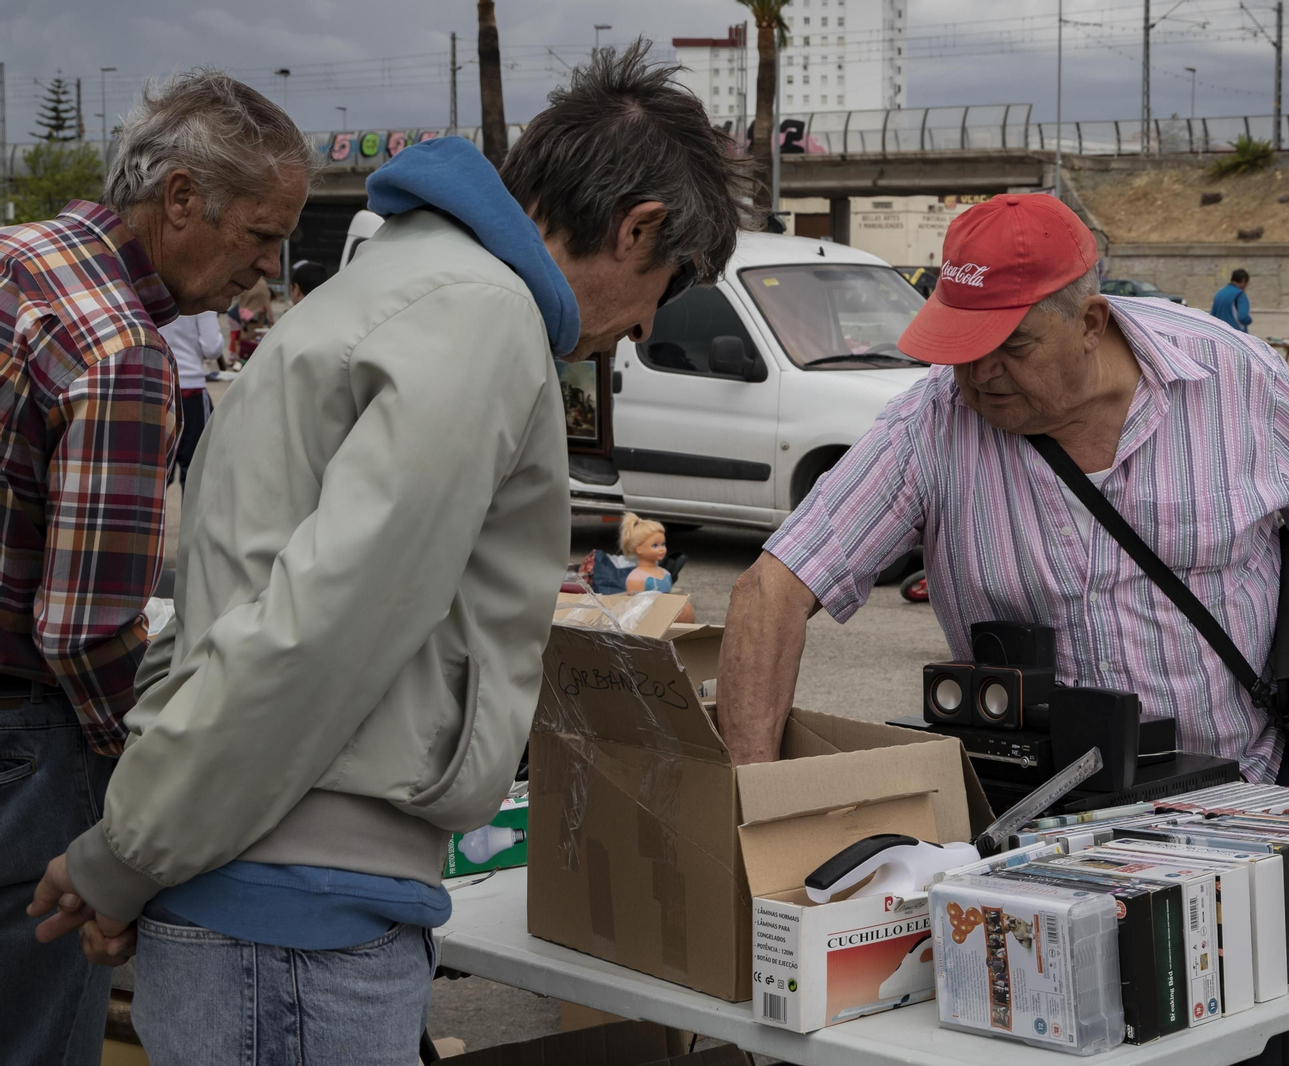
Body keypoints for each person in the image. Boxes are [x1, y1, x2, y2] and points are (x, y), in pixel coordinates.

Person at [29, 41, 749, 1065]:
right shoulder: (483, 318)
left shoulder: (385, 293)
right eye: (661, 293)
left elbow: (231, 612)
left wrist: (139, 851)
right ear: (639, 230)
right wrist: (123, 856)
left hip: (248, 885)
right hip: (298, 919)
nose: (630, 337)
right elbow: (321, 629)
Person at [718, 195, 1289, 1066]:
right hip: (1036, 834)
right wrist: (745, 818)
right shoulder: (932, 421)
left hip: (1237, 796)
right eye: (963, 351)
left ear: (1091, 321)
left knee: (1261, 1038)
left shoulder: (1232, 377)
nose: (980, 378)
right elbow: (771, 591)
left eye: (1011, 348)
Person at [1, 69, 310, 1066]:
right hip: (25, 748)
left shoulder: (17, 260)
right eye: (261, 235)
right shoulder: (122, 352)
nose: (265, 271)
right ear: (180, 199)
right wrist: (159, 780)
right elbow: (85, 631)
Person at [158, 313, 225, 487]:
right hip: (191, 387)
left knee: (156, 472)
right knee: (196, 470)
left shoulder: (149, 288)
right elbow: (212, 348)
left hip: (158, 384)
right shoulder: (203, 300)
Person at [1210, 268, 1252, 333]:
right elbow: (1243, 317)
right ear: (1243, 280)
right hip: (1236, 335)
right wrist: (1249, 320)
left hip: (1220, 334)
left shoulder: (1219, 293)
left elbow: (1213, 316)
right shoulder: (1240, 295)